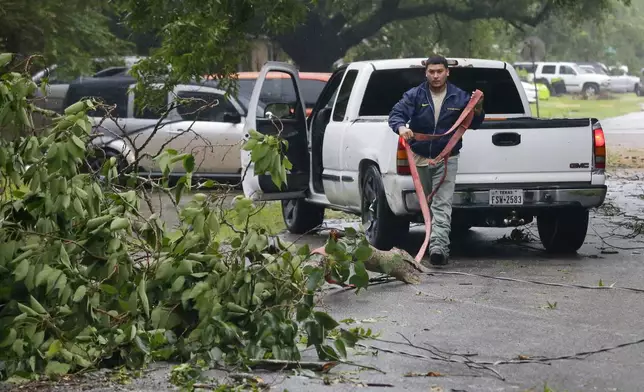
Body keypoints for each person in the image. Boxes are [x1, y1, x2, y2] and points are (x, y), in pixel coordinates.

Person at [388, 55, 485, 267]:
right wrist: (402, 128)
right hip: (420, 156)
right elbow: (396, 114)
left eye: (439, 71)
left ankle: (439, 248)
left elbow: (475, 124)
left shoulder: (460, 97)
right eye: (431, 72)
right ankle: (433, 238)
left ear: (447, 72)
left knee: (442, 203)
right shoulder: (414, 95)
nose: (435, 75)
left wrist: (477, 110)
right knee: (428, 202)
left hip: (447, 157)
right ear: (426, 73)